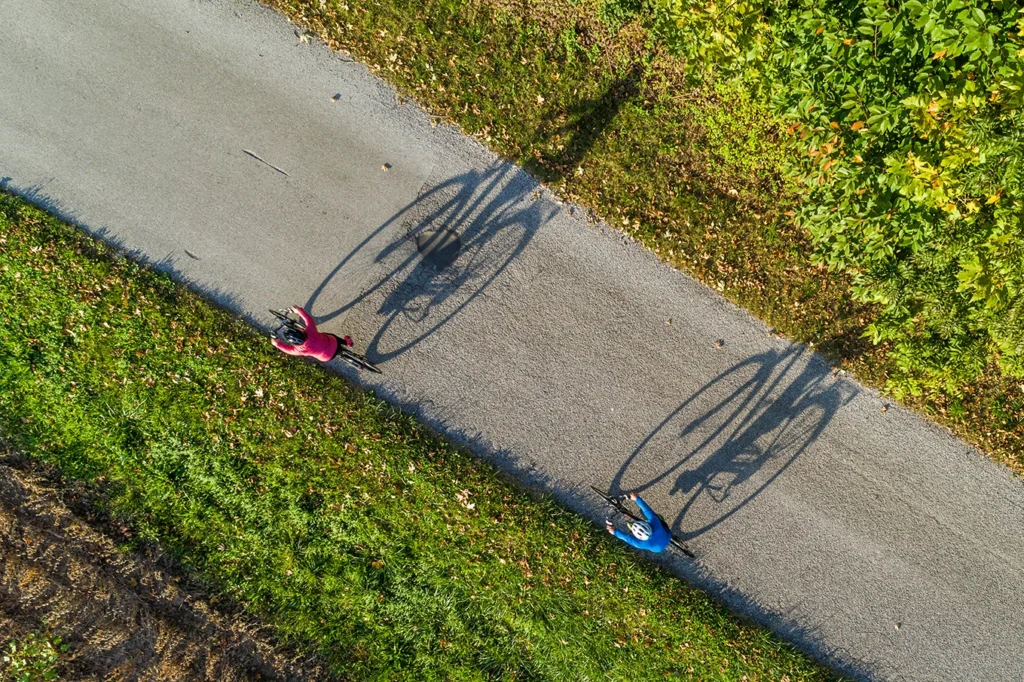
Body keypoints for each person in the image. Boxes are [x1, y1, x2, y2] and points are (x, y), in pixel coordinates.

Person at [271, 306, 353, 362]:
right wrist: (298, 310)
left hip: (327, 357)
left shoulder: (298, 350)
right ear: (301, 331)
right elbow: (307, 318)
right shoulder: (311, 331)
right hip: (333, 343)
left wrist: (276, 343)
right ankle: (348, 343)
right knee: (330, 336)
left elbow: (287, 350)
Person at [605, 491, 671, 553]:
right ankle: (633, 526)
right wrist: (637, 499)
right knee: (657, 518)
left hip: (658, 549)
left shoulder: (641, 544)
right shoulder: (656, 526)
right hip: (667, 534)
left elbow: (627, 538)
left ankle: (634, 525)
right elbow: (648, 511)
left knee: (652, 517)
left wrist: (614, 532)